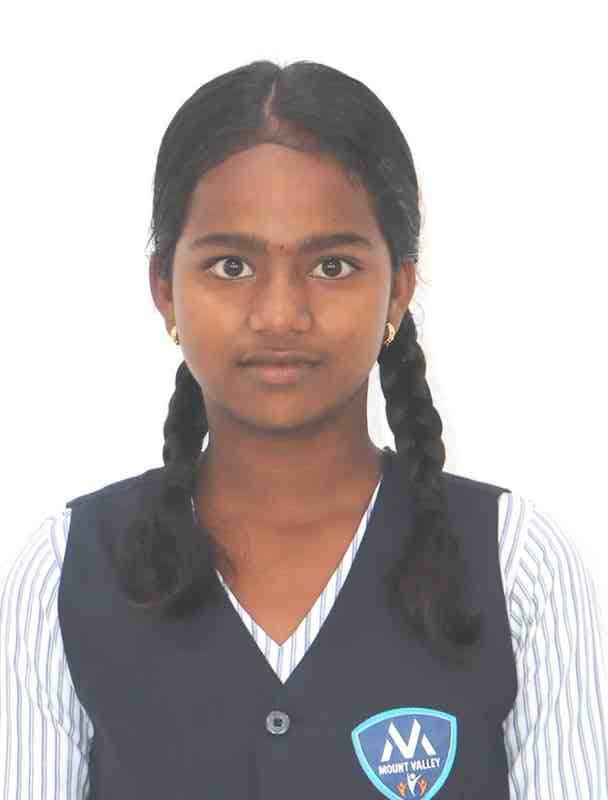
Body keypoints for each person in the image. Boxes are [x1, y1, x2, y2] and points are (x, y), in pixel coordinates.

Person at [1, 59, 606, 799]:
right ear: (165, 290)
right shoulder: (63, 573)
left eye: (332, 266)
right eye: (231, 266)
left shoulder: (521, 569)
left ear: (398, 288)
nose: (280, 314)